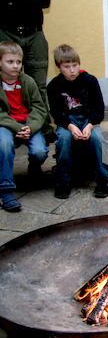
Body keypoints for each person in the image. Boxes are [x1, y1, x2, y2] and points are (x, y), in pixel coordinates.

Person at [47, 44, 108, 199]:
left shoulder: (90, 81)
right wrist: (70, 126)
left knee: (98, 140)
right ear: (58, 67)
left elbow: (99, 109)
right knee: (63, 139)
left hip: (89, 120)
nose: (72, 70)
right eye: (67, 67)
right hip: (67, 122)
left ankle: (103, 180)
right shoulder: (54, 86)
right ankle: (63, 181)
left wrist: (89, 125)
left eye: (75, 65)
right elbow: (56, 112)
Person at [0, 40, 48, 212]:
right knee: (4, 145)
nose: (15, 66)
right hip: (6, 124)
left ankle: (34, 168)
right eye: (10, 62)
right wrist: (15, 127)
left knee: (40, 151)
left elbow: (39, 108)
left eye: (18, 62)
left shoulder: (27, 81)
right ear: (0, 62)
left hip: (27, 124)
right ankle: (5, 190)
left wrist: (30, 127)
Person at [0, 0, 50, 103]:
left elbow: (45, 1)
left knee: (38, 84)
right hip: (5, 33)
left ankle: (41, 123)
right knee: (5, 81)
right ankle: (7, 122)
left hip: (35, 35)